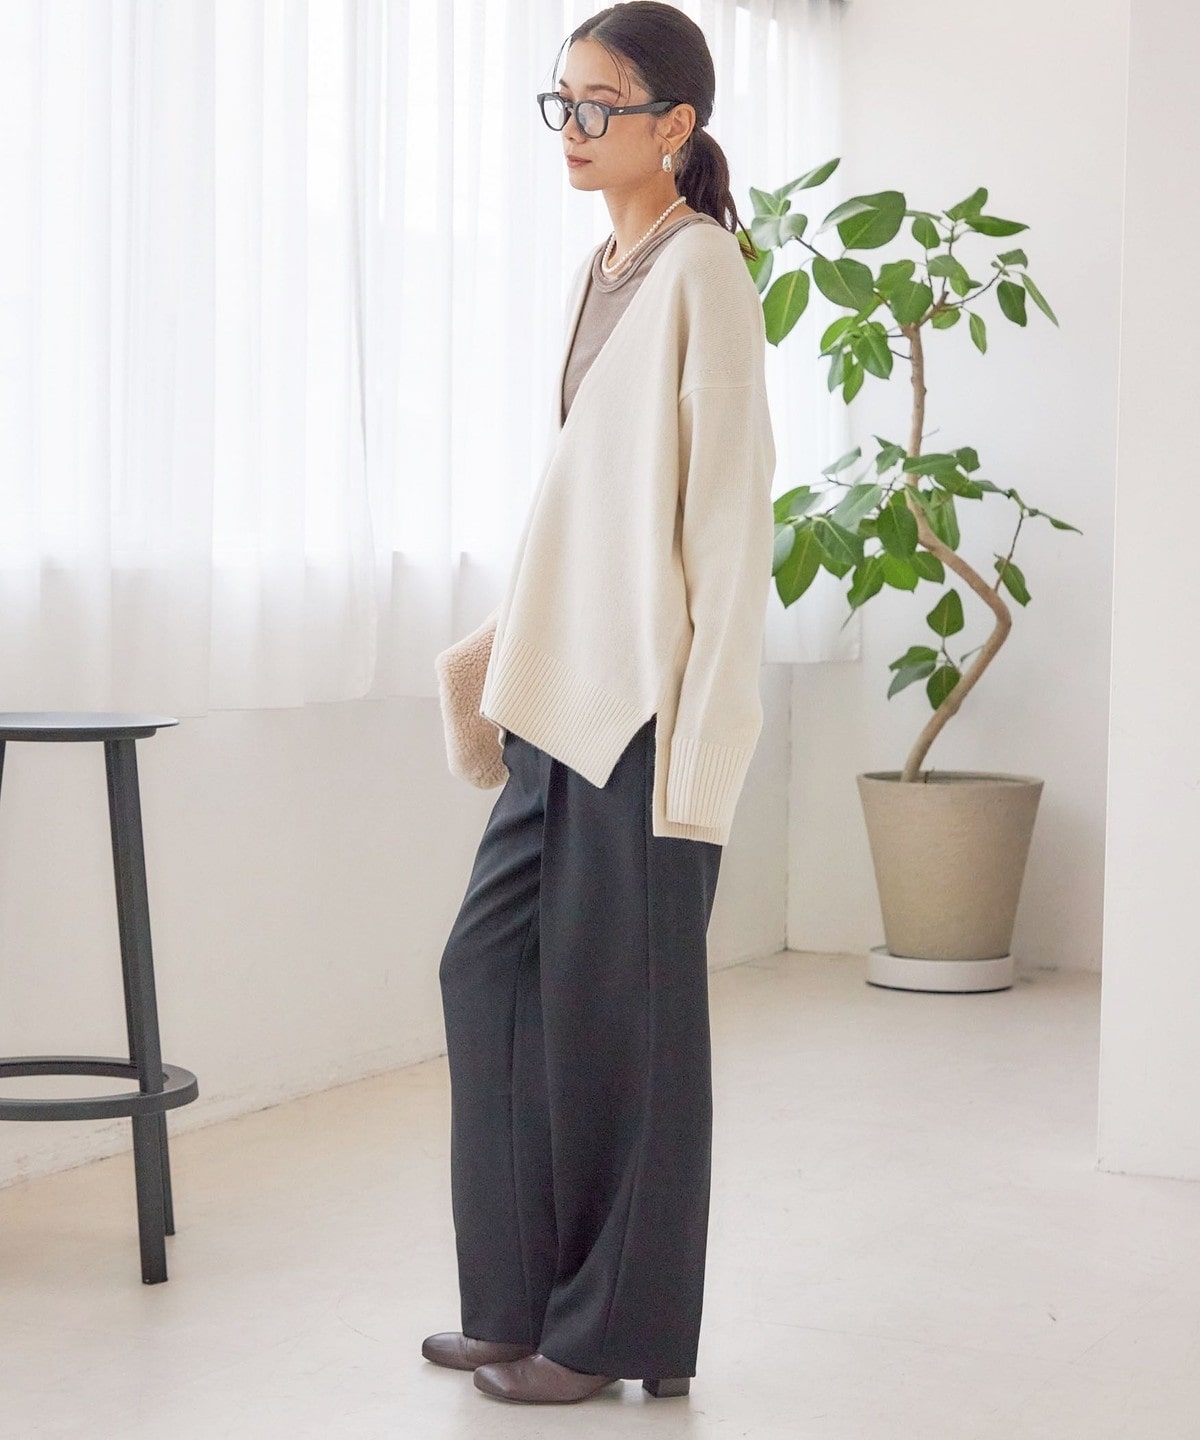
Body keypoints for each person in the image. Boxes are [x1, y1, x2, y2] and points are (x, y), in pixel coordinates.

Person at [424, 0, 776, 1407]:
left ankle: (611, 1336)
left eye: (600, 105)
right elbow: (587, 502)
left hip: (645, 713)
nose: (571, 128)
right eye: (560, 100)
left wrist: (701, 755)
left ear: (674, 126)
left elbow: (727, 529)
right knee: (490, 973)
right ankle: (517, 1303)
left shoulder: (706, 272)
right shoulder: (602, 271)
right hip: (560, 703)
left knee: (627, 1028)